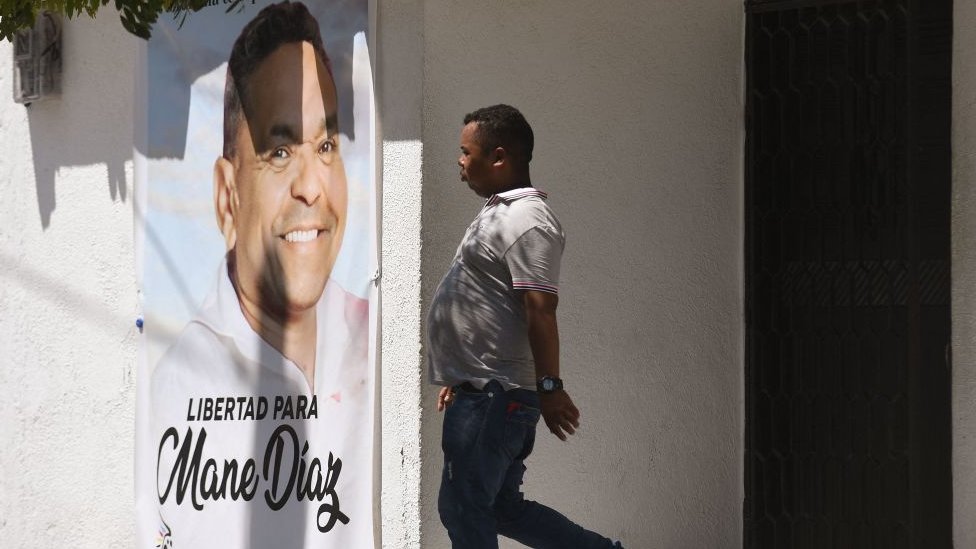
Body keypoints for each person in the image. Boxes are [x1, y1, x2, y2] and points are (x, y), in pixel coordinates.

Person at [147, 3, 370, 547]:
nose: (312, 186)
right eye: (278, 150)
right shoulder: (181, 383)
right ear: (228, 195)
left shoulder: (375, 336)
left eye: (325, 146)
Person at [428, 104, 623, 548]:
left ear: (498, 157)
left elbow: (540, 309)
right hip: (482, 388)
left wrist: (550, 387)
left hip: (497, 395)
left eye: (465, 151)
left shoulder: (528, 221)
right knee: (497, 507)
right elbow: (492, 302)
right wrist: (460, 371)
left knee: (463, 506)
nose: (459, 161)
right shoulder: (501, 212)